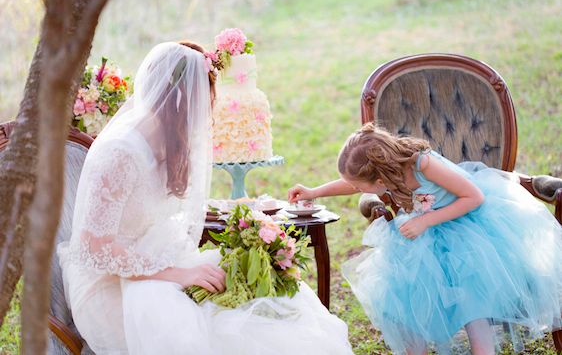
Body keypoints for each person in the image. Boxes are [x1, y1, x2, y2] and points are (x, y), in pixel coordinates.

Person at [58, 42, 353, 355]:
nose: (207, 114)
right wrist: (180, 275)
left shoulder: (165, 140)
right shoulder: (119, 154)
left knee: (263, 302)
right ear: (180, 103)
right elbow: (95, 250)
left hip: (158, 259)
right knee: (212, 333)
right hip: (111, 285)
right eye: (204, 101)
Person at [288, 123, 562, 354]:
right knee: (408, 289)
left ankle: (482, 348)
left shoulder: (424, 165)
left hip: (468, 227)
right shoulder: (384, 170)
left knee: (472, 296)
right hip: (426, 232)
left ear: (380, 178)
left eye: (361, 187)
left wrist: (426, 220)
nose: (356, 190)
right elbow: (351, 183)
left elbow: (475, 197)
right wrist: (313, 192)